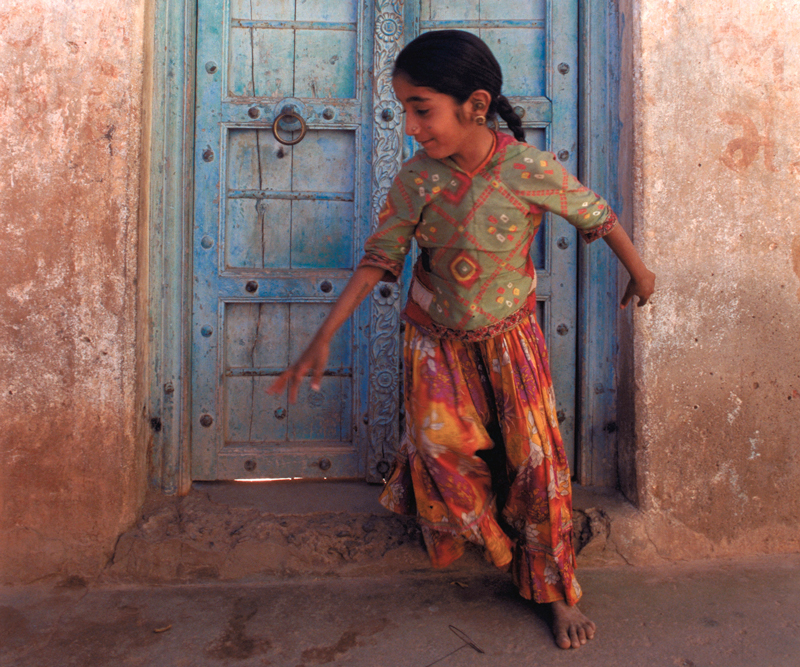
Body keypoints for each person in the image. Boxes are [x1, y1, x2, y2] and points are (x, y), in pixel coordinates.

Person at [268, 30, 655, 650]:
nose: (413, 127)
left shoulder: (527, 168)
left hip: (512, 342)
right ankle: (504, 548)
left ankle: (553, 592)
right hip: (435, 345)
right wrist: (323, 335)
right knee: (436, 448)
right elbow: (380, 258)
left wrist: (640, 271)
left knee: (537, 465)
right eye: (405, 111)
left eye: (422, 109)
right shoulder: (417, 180)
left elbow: (597, 213)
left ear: (475, 104)